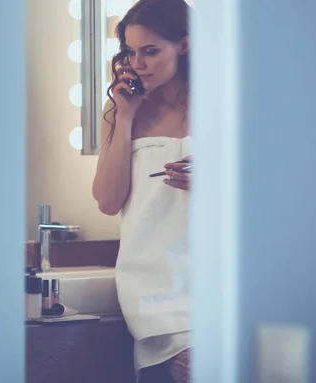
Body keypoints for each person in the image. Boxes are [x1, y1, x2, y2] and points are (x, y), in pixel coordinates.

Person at [92, 0, 193, 382]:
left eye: (151, 51)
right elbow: (107, 200)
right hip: (157, 291)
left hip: (224, 284)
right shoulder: (122, 110)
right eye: (132, 52)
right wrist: (126, 115)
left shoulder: (224, 104)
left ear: (184, 45)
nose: (138, 63)